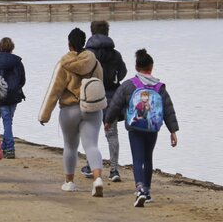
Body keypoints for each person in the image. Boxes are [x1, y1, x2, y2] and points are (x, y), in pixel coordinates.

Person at [104, 49, 179, 207]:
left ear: (136, 67)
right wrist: (172, 131)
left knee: (137, 159)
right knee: (148, 158)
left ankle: (140, 190)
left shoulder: (129, 85)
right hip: (152, 128)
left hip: (135, 128)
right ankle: (148, 191)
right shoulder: (159, 87)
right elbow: (168, 109)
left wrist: (108, 120)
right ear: (151, 67)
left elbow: (115, 104)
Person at [38, 27, 106, 196]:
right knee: (91, 145)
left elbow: (54, 91)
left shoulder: (64, 64)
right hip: (92, 108)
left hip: (69, 110)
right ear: (84, 42)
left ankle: (69, 182)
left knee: (70, 146)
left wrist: (44, 115)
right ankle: (97, 179)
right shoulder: (94, 62)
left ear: (69, 44)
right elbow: (100, 84)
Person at [84, 20, 128, 182]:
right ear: (107, 32)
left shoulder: (87, 54)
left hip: (92, 97)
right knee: (112, 134)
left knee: (91, 134)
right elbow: (122, 73)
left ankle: (90, 166)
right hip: (112, 98)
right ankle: (114, 170)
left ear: (92, 32)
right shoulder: (115, 54)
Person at [0, 37, 27, 159]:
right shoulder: (17, 62)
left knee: (7, 120)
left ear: (0, 47)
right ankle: (7, 146)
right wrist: (16, 88)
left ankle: (9, 148)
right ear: (11, 48)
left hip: (0, 95)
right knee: (8, 120)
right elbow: (22, 79)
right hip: (13, 95)